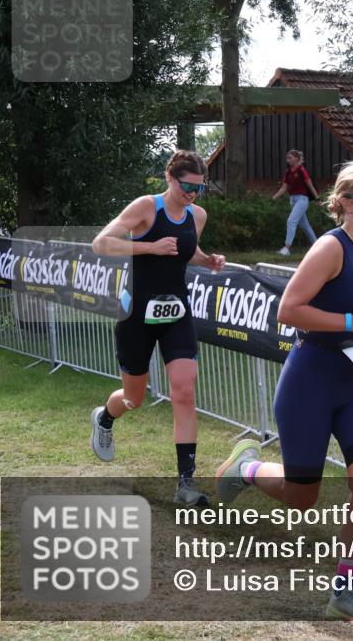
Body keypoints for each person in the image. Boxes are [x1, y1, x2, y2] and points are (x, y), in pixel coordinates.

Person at [215, 161, 353, 626]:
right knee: (303, 495)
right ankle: (245, 467)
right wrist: (351, 324)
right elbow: (288, 310)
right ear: (345, 203)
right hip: (311, 377)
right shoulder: (330, 248)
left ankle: (346, 589)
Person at [89, 150, 226, 505]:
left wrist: (207, 259)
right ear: (170, 178)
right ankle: (105, 418)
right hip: (135, 314)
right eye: (187, 186)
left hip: (176, 313)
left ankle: (186, 482)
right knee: (134, 398)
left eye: (200, 188)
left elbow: (186, 250)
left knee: (183, 391)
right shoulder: (146, 207)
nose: (193, 194)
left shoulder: (197, 215)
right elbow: (101, 243)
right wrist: (148, 246)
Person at [272, 149, 319, 256]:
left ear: (296, 158)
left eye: (290, 158)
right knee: (305, 226)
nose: (288, 160)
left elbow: (310, 185)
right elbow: (283, 188)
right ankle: (318, 246)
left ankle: (286, 248)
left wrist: (318, 199)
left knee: (291, 221)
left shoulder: (301, 170)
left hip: (302, 200)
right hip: (292, 199)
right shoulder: (288, 172)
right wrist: (273, 198)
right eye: (287, 158)